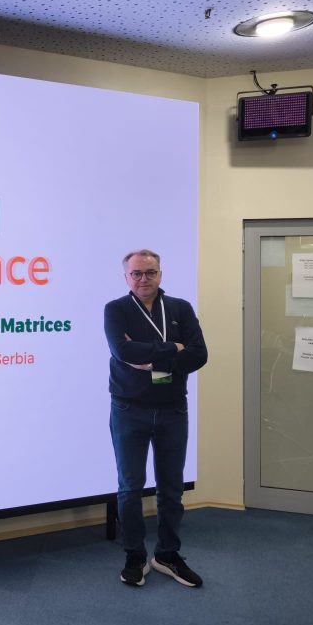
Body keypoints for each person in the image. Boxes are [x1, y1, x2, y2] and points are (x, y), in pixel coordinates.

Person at [104, 249, 207, 588]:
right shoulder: (116, 310)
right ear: (126, 277)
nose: (143, 279)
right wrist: (173, 348)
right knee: (130, 489)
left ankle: (167, 555)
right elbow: (122, 351)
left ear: (160, 274)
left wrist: (150, 360)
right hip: (128, 410)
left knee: (171, 489)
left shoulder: (180, 308)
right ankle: (134, 555)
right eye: (136, 273)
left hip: (172, 409)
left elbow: (199, 354)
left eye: (150, 272)